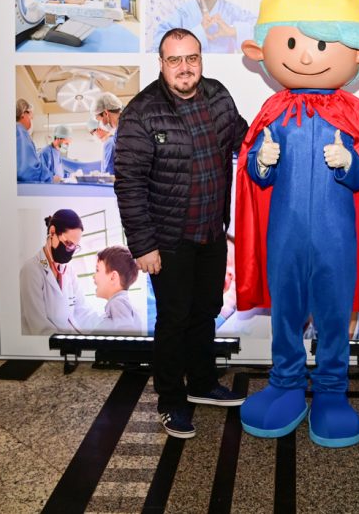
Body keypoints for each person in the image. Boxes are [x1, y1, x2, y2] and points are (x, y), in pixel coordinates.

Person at [237, 0, 359, 448]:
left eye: (320, 44)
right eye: (293, 43)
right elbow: (254, 179)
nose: (305, 56)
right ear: (261, 51)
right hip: (284, 233)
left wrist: (350, 164)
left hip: (336, 237)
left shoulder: (352, 111)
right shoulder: (274, 110)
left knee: (334, 314)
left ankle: (331, 392)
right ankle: (284, 385)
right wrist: (261, 163)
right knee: (285, 312)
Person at [114, 27, 249, 439]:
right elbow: (129, 184)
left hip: (211, 232)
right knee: (173, 319)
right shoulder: (141, 112)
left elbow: (242, 137)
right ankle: (171, 401)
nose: (185, 67)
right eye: (175, 60)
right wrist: (143, 246)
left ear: (200, 60)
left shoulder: (218, 95)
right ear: (161, 64)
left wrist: (271, 141)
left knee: (206, 311)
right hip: (168, 240)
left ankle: (203, 383)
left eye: (192, 58)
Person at [20, 209, 100, 335]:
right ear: (52, 232)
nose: (70, 251)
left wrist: (107, 323)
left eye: (74, 246)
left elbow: (82, 310)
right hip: (45, 343)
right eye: (68, 243)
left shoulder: (69, 270)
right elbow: (40, 327)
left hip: (67, 340)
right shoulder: (31, 270)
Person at [90, 245, 140, 333]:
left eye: (97, 270)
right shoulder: (120, 302)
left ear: (113, 277)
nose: (93, 276)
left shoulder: (117, 302)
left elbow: (126, 331)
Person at [16, 98, 58, 183]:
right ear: (23, 113)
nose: (31, 121)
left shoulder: (18, 131)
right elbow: (27, 170)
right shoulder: (20, 131)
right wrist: (50, 178)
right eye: (31, 118)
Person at [92, 93, 122, 175]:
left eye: (100, 120)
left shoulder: (129, 128)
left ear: (105, 113)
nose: (102, 124)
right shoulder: (118, 133)